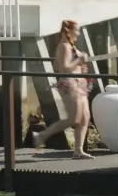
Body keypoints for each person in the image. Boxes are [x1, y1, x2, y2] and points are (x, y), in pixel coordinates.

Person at [33, 20, 93, 158]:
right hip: (70, 84)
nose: (78, 33)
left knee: (85, 118)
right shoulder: (65, 46)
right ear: (69, 31)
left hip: (79, 83)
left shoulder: (70, 46)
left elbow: (56, 64)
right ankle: (42, 135)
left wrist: (79, 67)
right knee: (74, 119)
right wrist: (79, 60)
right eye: (76, 30)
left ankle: (78, 150)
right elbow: (65, 67)